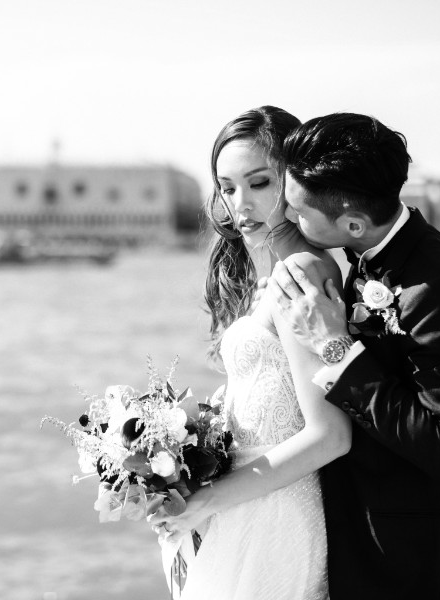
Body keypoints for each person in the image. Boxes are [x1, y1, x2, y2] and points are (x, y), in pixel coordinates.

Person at [268, 113, 440, 600]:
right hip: (342, 546)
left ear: (352, 221)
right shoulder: (370, 254)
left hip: (400, 567)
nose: (286, 218)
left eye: (299, 211)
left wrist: (335, 346)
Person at [150, 106, 351, 600]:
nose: (240, 203)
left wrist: (207, 500)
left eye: (259, 183)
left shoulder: (302, 272)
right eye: (227, 187)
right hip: (247, 501)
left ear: (295, 181)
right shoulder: (270, 274)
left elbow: (330, 436)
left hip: (277, 510)